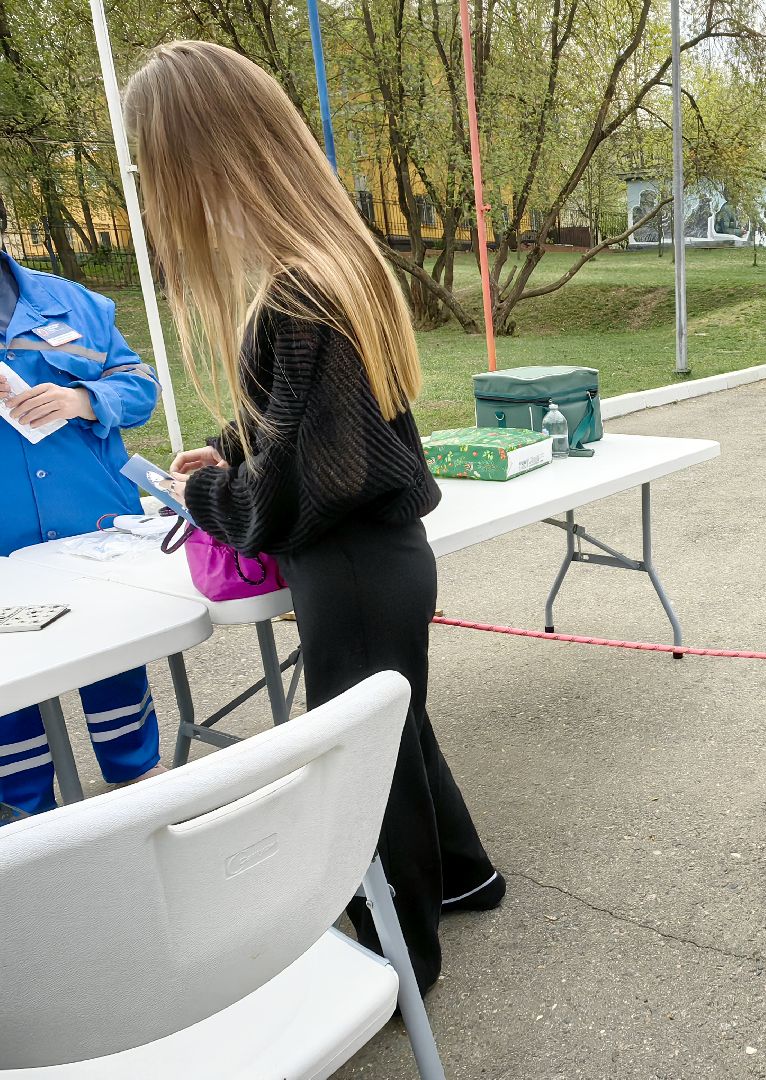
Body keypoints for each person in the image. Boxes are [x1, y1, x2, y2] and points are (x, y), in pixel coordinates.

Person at [124, 40, 504, 993]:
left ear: (201, 159)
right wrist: (232, 447)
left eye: (152, 163)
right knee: (398, 726)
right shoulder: (327, 264)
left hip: (351, 561)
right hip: (381, 555)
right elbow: (306, 424)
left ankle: (399, 956)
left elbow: (300, 488)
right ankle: (466, 878)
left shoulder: (296, 289)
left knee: (358, 760)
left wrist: (195, 495)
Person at [0, 246, 166, 815]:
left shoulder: (72, 303)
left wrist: (83, 399)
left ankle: (138, 789)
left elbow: (141, 384)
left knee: (115, 663)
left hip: (91, 529)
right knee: (6, 689)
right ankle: (24, 821)